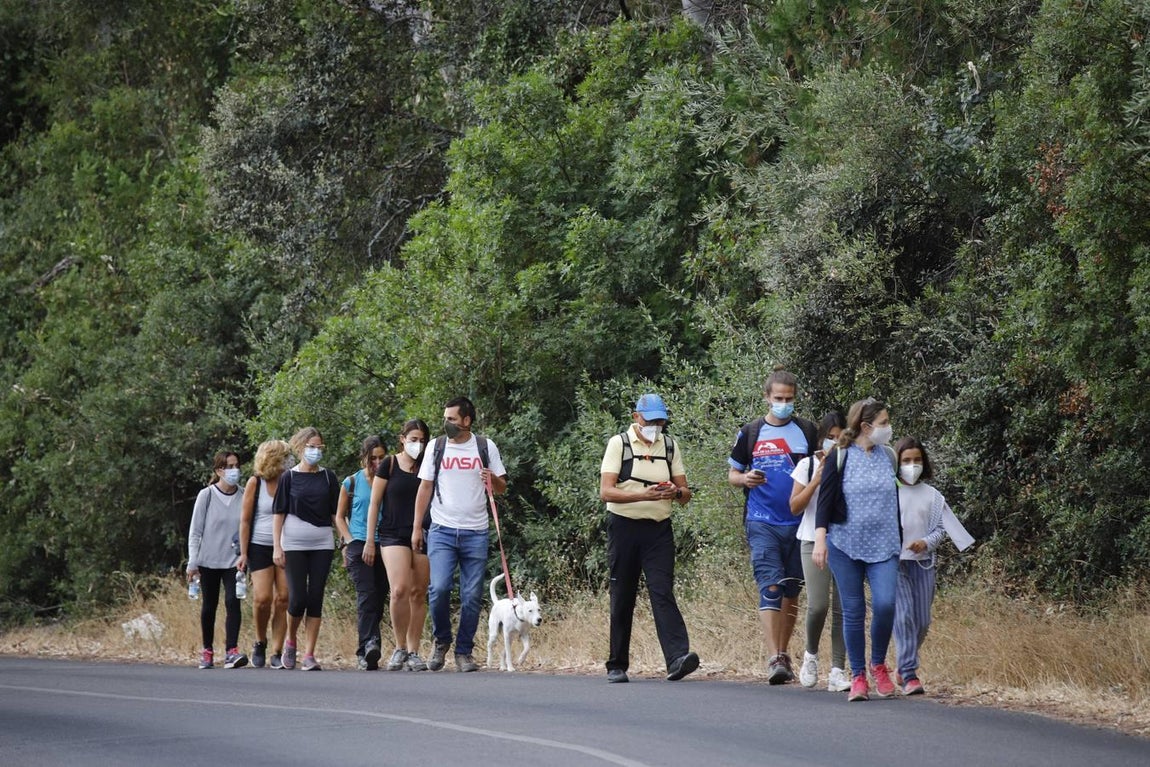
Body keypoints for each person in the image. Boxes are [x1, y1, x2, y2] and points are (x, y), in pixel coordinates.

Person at [599, 393, 699, 684]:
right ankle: (617, 665)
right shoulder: (619, 444)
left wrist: (675, 492)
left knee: (662, 590)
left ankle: (677, 658)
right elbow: (606, 491)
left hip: (658, 529)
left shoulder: (669, 446)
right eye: (651, 420)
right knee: (623, 594)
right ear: (636, 417)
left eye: (660, 421)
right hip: (623, 527)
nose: (656, 426)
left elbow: (685, 494)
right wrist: (643, 495)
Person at [727, 367, 818, 684]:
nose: (784, 404)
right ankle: (774, 657)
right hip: (761, 520)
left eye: (789, 399)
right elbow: (733, 474)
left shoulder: (807, 431)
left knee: (791, 590)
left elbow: (819, 469)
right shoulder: (750, 432)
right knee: (771, 585)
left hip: (799, 523)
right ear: (767, 397)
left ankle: (783, 652)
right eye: (778, 398)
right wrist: (745, 478)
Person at [813, 397, 900, 702]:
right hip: (845, 544)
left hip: (885, 544)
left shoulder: (889, 455)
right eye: (883, 423)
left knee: (886, 604)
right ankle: (858, 675)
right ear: (865, 426)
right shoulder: (840, 455)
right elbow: (825, 501)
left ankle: (878, 665)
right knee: (853, 610)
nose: (888, 428)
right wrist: (820, 540)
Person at [413, 397, 507, 672]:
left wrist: (492, 479)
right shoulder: (436, 446)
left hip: (476, 532)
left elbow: (502, 487)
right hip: (442, 529)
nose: (447, 423)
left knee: (472, 595)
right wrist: (417, 527)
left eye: (452, 419)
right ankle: (441, 640)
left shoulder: (485, 446)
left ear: (467, 420)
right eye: (445, 418)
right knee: (439, 588)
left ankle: (464, 651)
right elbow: (425, 488)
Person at [893, 436, 974, 696]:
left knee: (922, 621)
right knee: (903, 616)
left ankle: (904, 661)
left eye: (917, 460)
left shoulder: (933, 496)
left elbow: (941, 529)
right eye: (906, 460)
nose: (912, 465)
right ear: (897, 462)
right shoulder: (888, 492)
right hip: (894, 564)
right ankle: (909, 673)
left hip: (923, 564)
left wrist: (925, 543)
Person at [789, 411, 851, 692]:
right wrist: (817, 479)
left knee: (844, 607)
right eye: (830, 437)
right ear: (821, 439)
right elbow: (794, 506)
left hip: (845, 541)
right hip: (811, 540)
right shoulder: (806, 465)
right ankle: (810, 655)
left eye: (840, 438)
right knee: (818, 604)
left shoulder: (852, 464)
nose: (834, 442)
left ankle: (838, 669)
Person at [366, 419, 433, 671]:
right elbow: (375, 503)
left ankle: (414, 651)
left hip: (423, 532)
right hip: (393, 533)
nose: (418, 444)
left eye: (422, 440)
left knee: (418, 593)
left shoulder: (428, 465)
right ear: (402, 439)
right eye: (413, 439)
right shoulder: (389, 463)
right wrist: (370, 540)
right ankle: (400, 646)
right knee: (399, 590)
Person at [273, 427, 339, 671]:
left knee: (316, 597)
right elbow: (278, 513)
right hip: (294, 544)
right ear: (301, 448)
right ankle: (291, 640)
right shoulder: (288, 478)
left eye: (319, 447)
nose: (316, 451)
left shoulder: (328, 477)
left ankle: (309, 654)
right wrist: (277, 546)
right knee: (298, 597)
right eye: (311, 447)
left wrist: (346, 541)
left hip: (322, 543)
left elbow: (336, 514)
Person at [186, 451, 248, 670]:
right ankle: (207, 650)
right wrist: (192, 562)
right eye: (229, 466)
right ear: (219, 470)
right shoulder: (207, 495)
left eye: (236, 465)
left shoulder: (244, 495)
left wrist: (245, 553)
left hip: (234, 559)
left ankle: (231, 651)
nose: (234, 470)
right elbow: (195, 531)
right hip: (209, 560)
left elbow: (247, 526)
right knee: (209, 605)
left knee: (233, 601)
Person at [335, 436, 389, 671]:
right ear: (364, 458)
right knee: (366, 595)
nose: (377, 462)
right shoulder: (351, 482)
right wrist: (349, 542)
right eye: (372, 458)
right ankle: (367, 646)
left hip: (385, 542)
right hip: (358, 542)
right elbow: (339, 516)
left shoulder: (389, 480)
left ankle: (370, 645)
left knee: (379, 597)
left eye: (381, 458)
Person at [238, 439, 292, 669]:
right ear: (274, 458)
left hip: (286, 545)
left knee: (284, 597)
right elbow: (245, 520)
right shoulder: (256, 483)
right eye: (286, 456)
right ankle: (260, 641)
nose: (290, 460)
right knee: (262, 599)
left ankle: (277, 650)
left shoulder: (290, 480)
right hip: (259, 545)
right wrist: (243, 553)